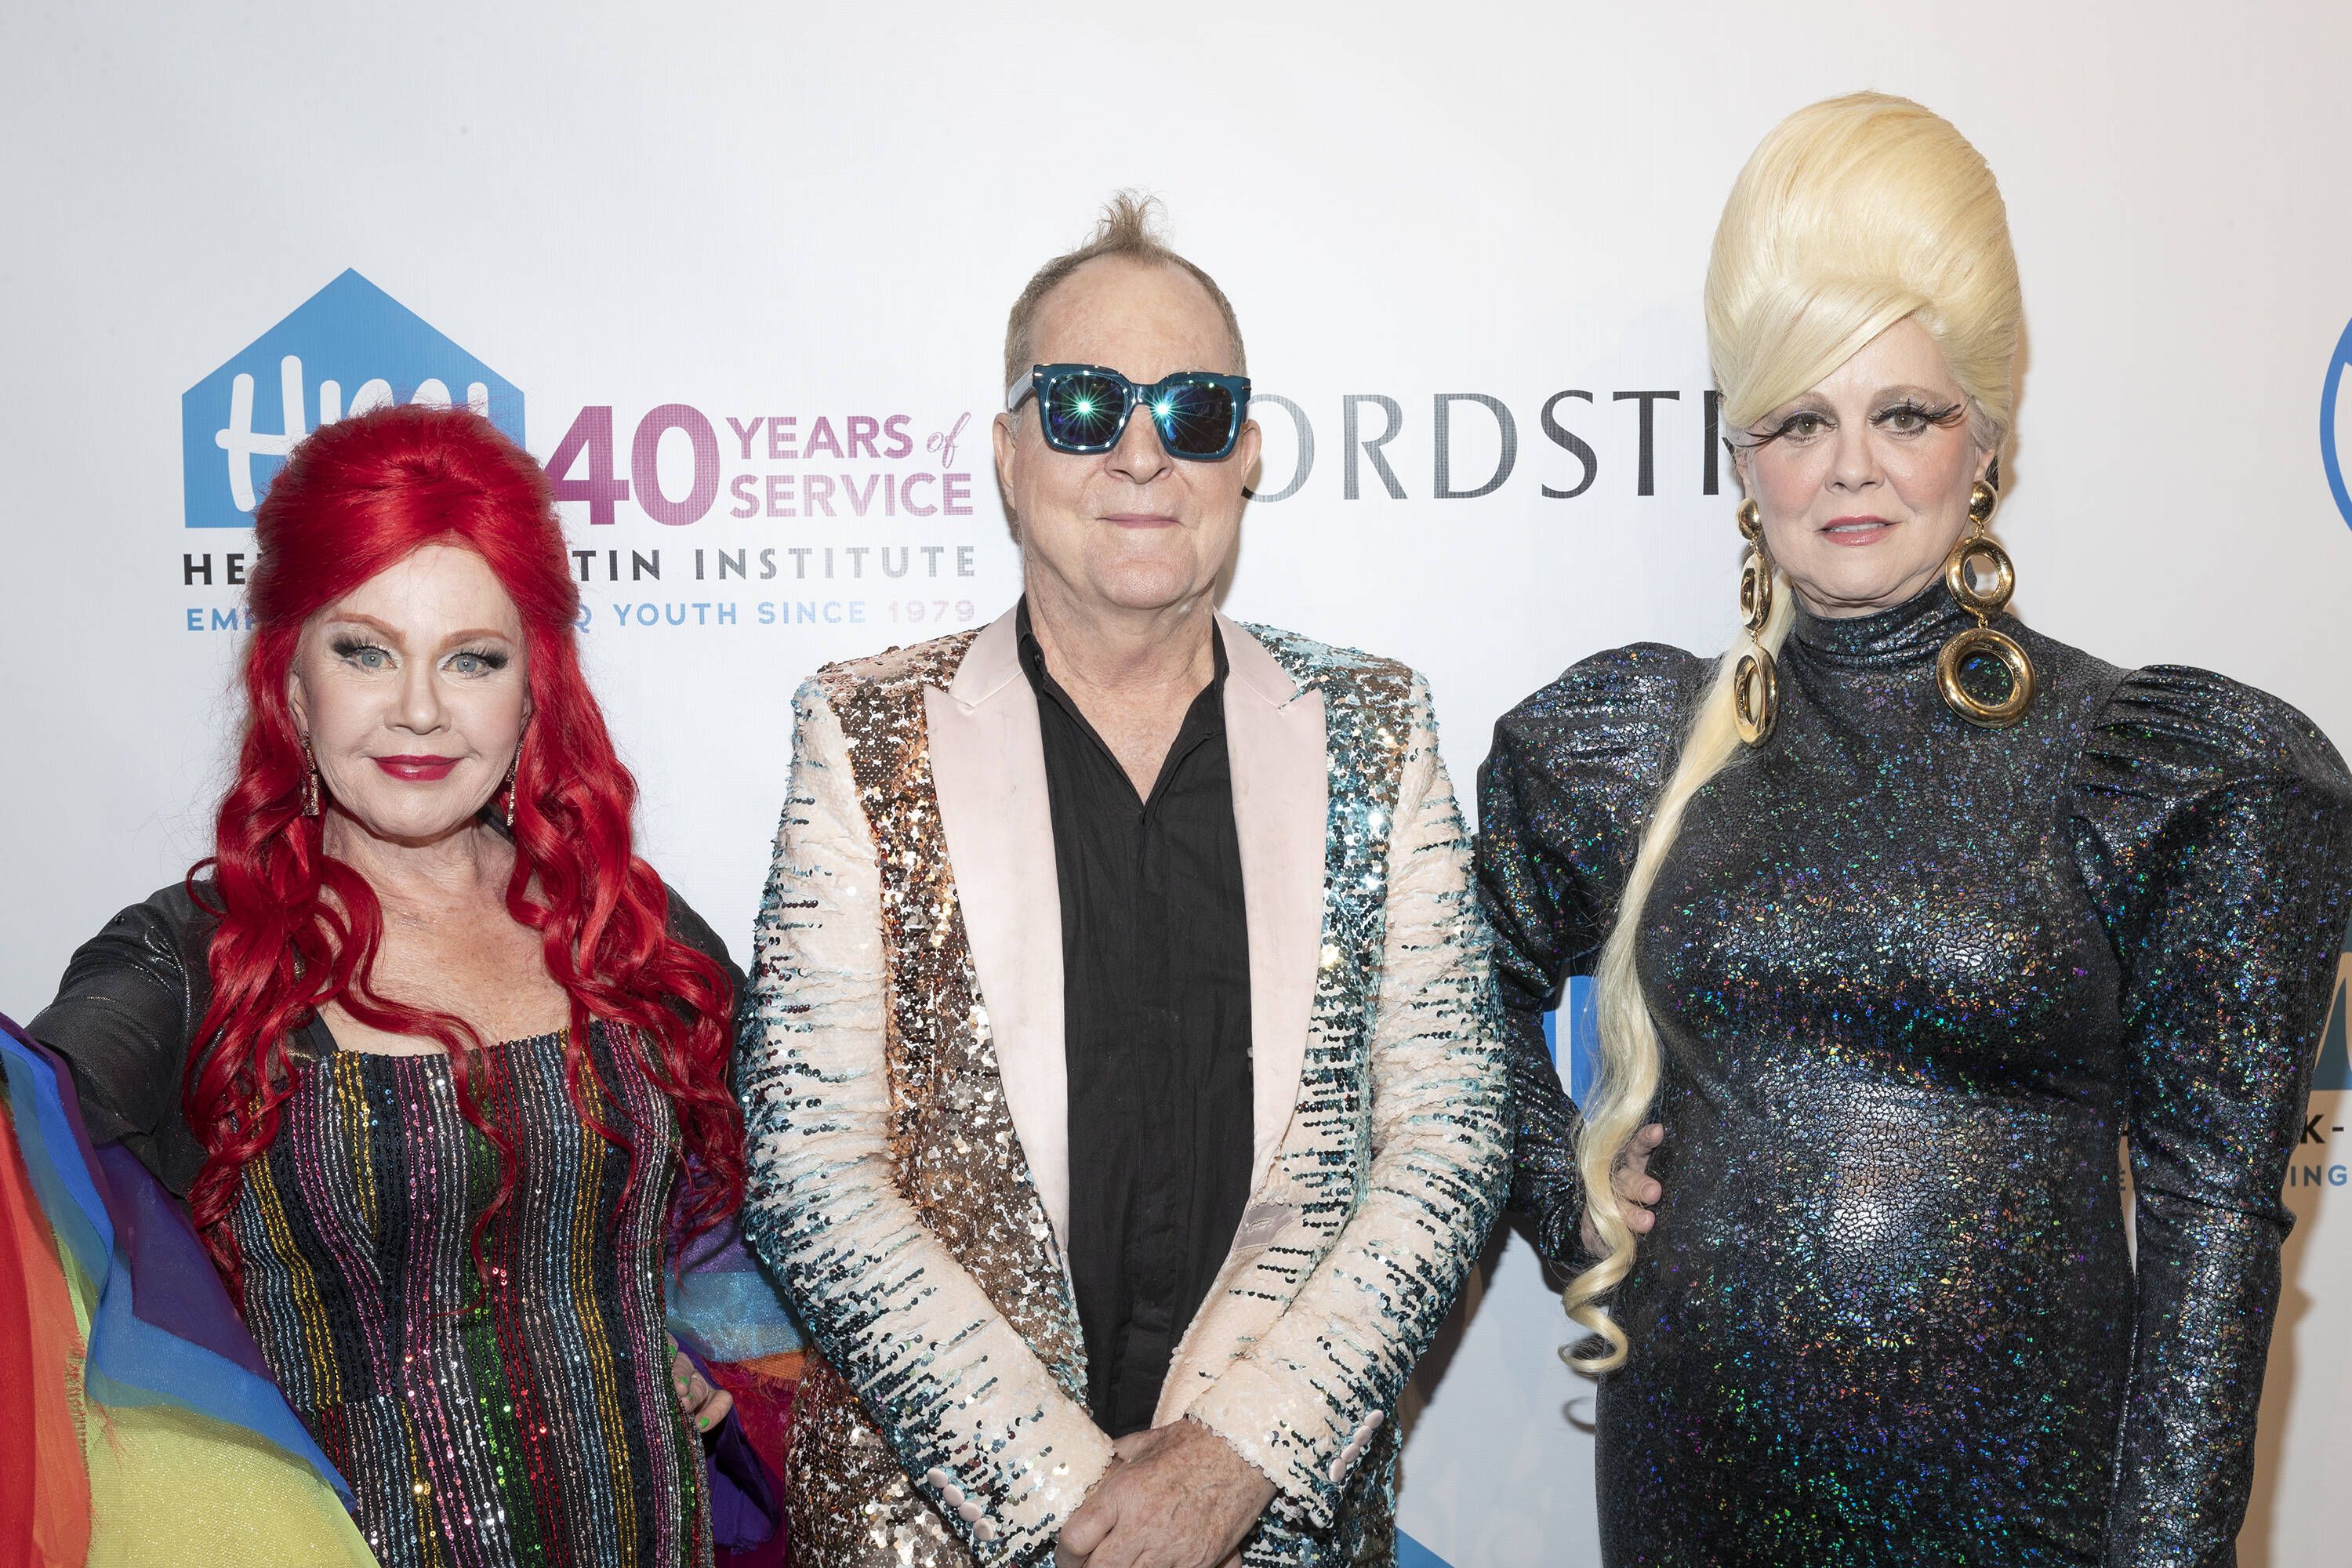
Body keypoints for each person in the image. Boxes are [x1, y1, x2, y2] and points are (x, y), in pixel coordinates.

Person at [1484, 94, 2352, 1566]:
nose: (1851, 469)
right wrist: (1558, 1181)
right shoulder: (1636, 750)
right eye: (1798, 421)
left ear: (1987, 433)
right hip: (1693, 1491)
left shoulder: (2154, 776)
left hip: (2026, 1517)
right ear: (1741, 455)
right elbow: (1439, 996)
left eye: (1905, 413)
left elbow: (2215, 1245)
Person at [736, 194, 1509, 1568]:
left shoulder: (1377, 731)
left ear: (1250, 454)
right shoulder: (864, 732)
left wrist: (1235, 1464)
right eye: (1087, 404)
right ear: (1009, 454)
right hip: (946, 1533)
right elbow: (813, 1174)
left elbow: (1448, 1141)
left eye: (1194, 410)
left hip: (1268, 1526)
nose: (1144, 451)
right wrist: (1082, 1515)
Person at [21, 404, 780, 1566]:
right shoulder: (188, 964)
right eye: (364, 650)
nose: (419, 710)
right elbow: (28, 1196)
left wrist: (674, 1339)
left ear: (535, 690)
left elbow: (785, 1202)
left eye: (472, 659)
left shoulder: (623, 931)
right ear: (287, 678)